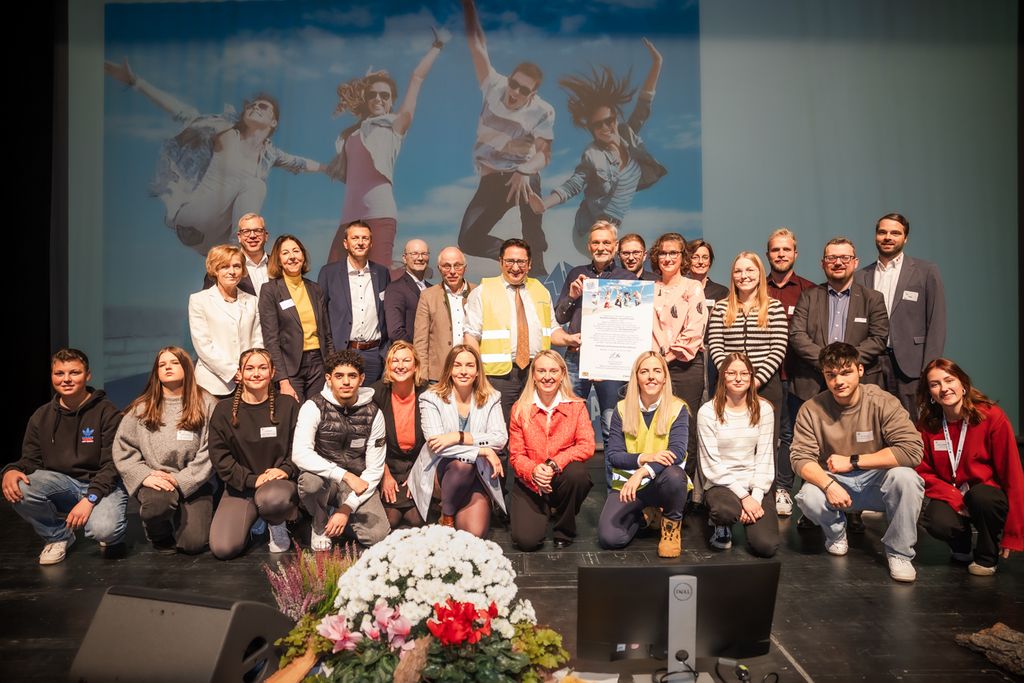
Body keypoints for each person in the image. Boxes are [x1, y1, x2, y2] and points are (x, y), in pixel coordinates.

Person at [104, 61, 326, 255]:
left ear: (273, 122)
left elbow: (299, 163)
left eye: (263, 107)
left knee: (254, 185)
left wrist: (330, 169)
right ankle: (240, 254)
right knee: (255, 185)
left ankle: (233, 258)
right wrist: (136, 82)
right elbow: (181, 111)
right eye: (253, 105)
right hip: (192, 221)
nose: (256, 107)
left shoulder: (269, 154)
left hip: (213, 240)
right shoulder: (224, 130)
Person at [790, 342, 924, 582]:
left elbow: (912, 450)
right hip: (835, 482)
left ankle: (899, 553)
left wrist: (853, 462)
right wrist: (829, 486)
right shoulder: (812, 409)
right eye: (831, 375)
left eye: (845, 372)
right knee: (808, 497)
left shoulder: (882, 401)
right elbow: (800, 458)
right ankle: (836, 532)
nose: (838, 381)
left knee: (906, 478)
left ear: (860, 370)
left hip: (874, 479)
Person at [530, 39, 665, 257]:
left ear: (616, 118)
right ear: (591, 129)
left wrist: (657, 63)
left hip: (612, 232)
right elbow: (573, 185)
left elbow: (644, 105)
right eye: (597, 125)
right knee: (630, 261)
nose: (605, 127)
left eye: (609, 120)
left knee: (634, 260)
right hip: (590, 233)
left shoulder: (627, 136)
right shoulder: (593, 156)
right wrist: (544, 204)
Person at [325, 31, 447, 268]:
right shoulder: (351, 135)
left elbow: (417, 78)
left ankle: (410, 275)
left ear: (392, 101)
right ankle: (403, 272)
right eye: (373, 95)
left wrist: (437, 45)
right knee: (333, 272)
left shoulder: (395, 127)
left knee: (377, 276)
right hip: (349, 217)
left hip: (379, 213)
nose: (378, 99)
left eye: (385, 95)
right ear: (366, 99)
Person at [2, 349, 127, 565]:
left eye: (74, 373)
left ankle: (101, 526)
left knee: (105, 531)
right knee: (18, 486)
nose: (66, 379)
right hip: (63, 484)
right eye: (59, 373)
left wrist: (91, 499)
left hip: (103, 486)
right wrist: (11, 470)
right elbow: (30, 461)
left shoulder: (107, 412)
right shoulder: (41, 416)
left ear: (87, 375)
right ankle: (58, 536)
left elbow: (112, 465)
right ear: (52, 376)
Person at [457, 0, 554, 275]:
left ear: (532, 94)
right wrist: (468, 6)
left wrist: (524, 170)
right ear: (508, 79)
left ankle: (538, 267)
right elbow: (477, 43)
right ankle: (517, 256)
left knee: (530, 204)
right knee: (467, 240)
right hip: (491, 181)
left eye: (524, 90)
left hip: (519, 175)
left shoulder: (542, 111)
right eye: (514, 84)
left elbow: (543, 154)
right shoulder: (493, 84)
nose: (515, 93)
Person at [916, 358, 1022, 576]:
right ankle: (961, 545)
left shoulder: (991, 417)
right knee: (935, 520)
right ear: (930, 393)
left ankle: (986, 555)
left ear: (963, 384)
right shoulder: (927, 425)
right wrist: (953, 496)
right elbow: (922, 470)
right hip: (951, 495)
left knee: (982, 497)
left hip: (985, 497)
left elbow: (1012, 475)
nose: (944, 388)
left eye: (949, 380)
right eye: (935, 384)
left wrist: (1014, 534)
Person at [113, 347, 217, 554]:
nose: (168, 367)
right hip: (156, 480)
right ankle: (158, 534)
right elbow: (123, 448)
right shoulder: (142, 407)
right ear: (156, 372)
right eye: (162, 364)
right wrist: (145, 475)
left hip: (195, 481)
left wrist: (181, 481)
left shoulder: (206, 402)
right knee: (158, 505)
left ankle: (181, 520)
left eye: (174, 362)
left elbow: (211, 450)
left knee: (193, 544)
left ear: (187, 367)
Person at [705, 252, 787, 497]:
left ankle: (764, 498)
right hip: (727, 387)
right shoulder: (721, 307)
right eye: (739, 271)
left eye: (750, 270)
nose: (744, 276)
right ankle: (726, 499)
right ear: (732, 276)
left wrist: (755, 380)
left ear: (760, 274)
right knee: (727, 443)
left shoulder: (773, 307)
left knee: (765, 446)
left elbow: (779, 347)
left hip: (766, 386)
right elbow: (716, 346)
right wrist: (731, 378)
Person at [208, 348, 301, 559]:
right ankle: (258, 520)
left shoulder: (288, 405)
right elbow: (220, 458)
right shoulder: (223, 410)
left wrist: (285, 470)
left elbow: (300, 448)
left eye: (262, 368)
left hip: (278, 485)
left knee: (273, 499)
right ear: (239, 374)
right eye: (249, 368)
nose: (256, 373)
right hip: (241, 488)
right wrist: (252, 479)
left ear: (273, 372)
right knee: (223, 549)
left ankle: (276, 522)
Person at [291, 350, 389, 550]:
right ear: (328, 379)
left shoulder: (374, 413)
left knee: (378, 537)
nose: (346, 382)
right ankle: (319, 522)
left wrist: (346, 508)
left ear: (361, 379)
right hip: (324, 480)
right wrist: (344, 475)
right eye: (339, 376)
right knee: (310, 482)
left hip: (356, 484)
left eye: (352, 376)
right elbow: (300, 454)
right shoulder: (313, 406)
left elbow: (375, 469)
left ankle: (338, 518)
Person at [855, 213, 946, 421]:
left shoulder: (926, 271)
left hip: (912, 365)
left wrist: (930, 368)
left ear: (905, 238)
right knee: (872, 421)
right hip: (872, 364)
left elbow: (937, 323)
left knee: (914, 424)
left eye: (895, 233)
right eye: (882, 232)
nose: (888, 237)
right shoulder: (861, 276)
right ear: (876, 236)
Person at [410, 345, 507, 537]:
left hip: (478, 471)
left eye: (470, 365)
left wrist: (458, 436)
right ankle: (447, 517)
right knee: (462, 465)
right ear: (449, 370)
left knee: (474, 534)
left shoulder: (492, 397)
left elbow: (500, 438)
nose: (463, 371)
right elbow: (437, 446)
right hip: (442, 468)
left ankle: (452, 507)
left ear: (478, 371)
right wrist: (483, 450)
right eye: (457, 365)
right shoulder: (430, 398)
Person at [598, 352, 688, 557]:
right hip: (629, 486)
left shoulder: (677, 408)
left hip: (661, 482)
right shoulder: (622, 408)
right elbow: (613, 455)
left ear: (665, 377)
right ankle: (645, 516)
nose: (651, 377)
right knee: (609, 538)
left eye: (657, 371)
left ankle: (671, 526)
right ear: (636, 377)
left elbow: (678, 452)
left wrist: (642, 472)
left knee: (675, 476)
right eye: (644, 371)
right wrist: (645, 457)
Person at [554, 221, 635, 444]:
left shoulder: (627, 279)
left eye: (606, 242)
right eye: (596, 242)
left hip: (612, 361)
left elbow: (631, 324)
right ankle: (573, 479)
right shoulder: (576, 274)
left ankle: (613, 480)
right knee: (569, 423)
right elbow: (560, 317)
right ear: (589, 246)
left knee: (611, 426)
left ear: (615, 246)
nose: (601, 247)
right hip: (576, 356)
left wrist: (605, 357)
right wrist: (571, 296)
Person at [464, 238, 558, 428]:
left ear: (529, 264)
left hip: (535, 373)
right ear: (501, 262)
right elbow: (470, 336)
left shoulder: (541, 291)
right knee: (501, 430)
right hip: (498, 378)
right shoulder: (483, 292)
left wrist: (570, 338)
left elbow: (553, 330)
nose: (515, 267)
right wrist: (479, 375)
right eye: (510, 261)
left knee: (534, 429)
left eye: (521, 262)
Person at [508, 351, 595, 550]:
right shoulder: (519, 408)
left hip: (561, 478)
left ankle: (564, 529)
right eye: (541, 371)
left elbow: (586, 445)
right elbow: (516, 455)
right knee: (526, 542)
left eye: (553, 371)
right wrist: (534, 471)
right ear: (534, 375)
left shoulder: (577, 407)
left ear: (563, 374)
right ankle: (544, 508)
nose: (547, 376)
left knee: (577, 474)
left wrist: (553, 464)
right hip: (530, 482)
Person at [698, 353, 778, 557]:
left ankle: (741, 514)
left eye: (744, 373)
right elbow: (712, 465)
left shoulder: (764, 409)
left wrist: (756, 498)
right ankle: (721, 524)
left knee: (766, 546)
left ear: (751, 377)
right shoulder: (708, 412)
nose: (738, 378)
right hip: (721, 485)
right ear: (722, 377)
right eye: (731, 373)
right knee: (726, 511)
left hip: (754, 485)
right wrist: (743, 497)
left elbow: (765, 458)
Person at [789, 238, 889, 401]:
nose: (838, 262)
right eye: (831, 258)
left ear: (855, 262)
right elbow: (797, 335)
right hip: (811, 385)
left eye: (845, 257)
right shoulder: (808, 296)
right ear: (823, 263)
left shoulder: (872, 298)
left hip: (860, 387)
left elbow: (878, 338)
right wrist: (826, 363)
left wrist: (846, 364)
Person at [764, 228, 816, 517]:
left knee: (792, 434)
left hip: (798, 376)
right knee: (767, 435)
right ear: (768, 254)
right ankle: (764, 488)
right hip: (765, 377)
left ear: (795, 253)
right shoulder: (756, 287)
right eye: (775, 250)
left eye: (786, 250)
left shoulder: (810, 290)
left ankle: (785, 487)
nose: (781, 254)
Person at [650, 232, 709, 478]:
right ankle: (654, 488)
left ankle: (682, 490)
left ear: (682, 256)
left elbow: (695, 332)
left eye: (673, 252)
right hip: (653, 369)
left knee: (685, 428)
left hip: (684, 368)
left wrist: (665, 359)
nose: (667, 257)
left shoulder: (693, 287)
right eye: (663, 252)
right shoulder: (648, 289)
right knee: (654, 425)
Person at [258, 234, 333, 403]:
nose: (292, 256)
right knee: (295, 418)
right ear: (278, 259)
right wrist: (282, 380)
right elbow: (271, 340)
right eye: (285, 253)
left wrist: (331, 369)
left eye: (296, 251)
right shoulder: (270, 290)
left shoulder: (315, 289)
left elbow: (326, 334)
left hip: (318, 365)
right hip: (290, 367)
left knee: (317, 416)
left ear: (303, 256)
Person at [317, 221, 391, 384]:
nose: (360, 242)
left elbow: (386, 314)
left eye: (365, 238)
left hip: (374, 355)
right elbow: (321, 317)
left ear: (371, 243)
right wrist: (331, 354)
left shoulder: (382, 272)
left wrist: (384, 353)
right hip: (343, 352)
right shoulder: (329, 273)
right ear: (345, 243)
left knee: (372, 404)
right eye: (355, 238)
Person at [189, 244, 264, 398]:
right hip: (213, 384)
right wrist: (233, 372)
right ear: (215, 270)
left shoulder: (253, 301)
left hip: (249, 382)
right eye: (225, 267)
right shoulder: (199, 300)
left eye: (236, 266)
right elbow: (203, 345)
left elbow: (258, 340)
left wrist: (249, 369)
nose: (232, 271)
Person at [372, 341, 429, 530]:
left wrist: (418, 475)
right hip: (387, 465)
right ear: (388, 366)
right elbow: (372, 442)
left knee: (416, 519)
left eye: (406, 360)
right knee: (391, 519)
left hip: (419, 465)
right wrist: (384, 475)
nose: (400, 365)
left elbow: (434, 443)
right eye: (394, 361)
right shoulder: (376, 394)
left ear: (416, 366)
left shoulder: (428, 394)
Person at [414, 247, 475, 383]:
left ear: (465, 267)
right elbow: (421, 340)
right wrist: (423, 374)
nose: (452, 271)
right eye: (446, 266)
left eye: (457, 266)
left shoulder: (477, 293)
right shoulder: (428, 296)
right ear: (439, 268)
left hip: (471, 373)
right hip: (438, 375)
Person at [202, 213, 270, 296]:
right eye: (246, 231)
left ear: (266, 236)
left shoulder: (280, 265)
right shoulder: (220, 269)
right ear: (239, 237)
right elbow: (209, 301)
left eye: (258, 231)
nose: (252, 235)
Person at [383, 239, 432, 343]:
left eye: (424, 254)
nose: (420, 258)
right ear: (404, 258)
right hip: (411, 355)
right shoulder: (395, 289)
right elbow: (395, 332)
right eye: (414, 254)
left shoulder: (433, 290)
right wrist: (415, 353)